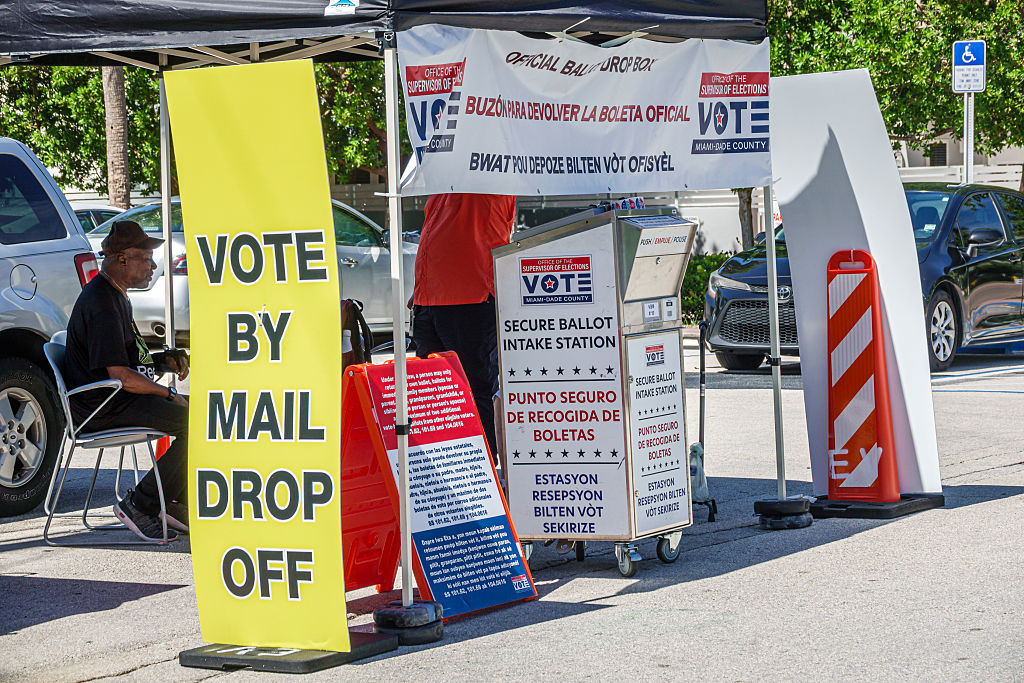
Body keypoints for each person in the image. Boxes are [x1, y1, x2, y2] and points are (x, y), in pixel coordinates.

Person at [64, 220, 190, 542]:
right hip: (102, 408)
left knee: (201, 415)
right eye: (145, 258)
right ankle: (142, 504)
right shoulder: (102, 303)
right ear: (122, 259)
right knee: (198, 423)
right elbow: (120, 375)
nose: (152, 266)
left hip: (116, 399)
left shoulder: (116, 296)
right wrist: (168, 393)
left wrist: (163, 360)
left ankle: (167, 501)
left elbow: (128, 362)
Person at [412, 193, 516, 458]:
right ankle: (447, 464)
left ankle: (484, 465)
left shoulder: (485, 177)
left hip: (470, 298)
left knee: (473, 388)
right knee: (434, 394)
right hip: (431, 298)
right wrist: (422, 287)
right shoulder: (442, 182)